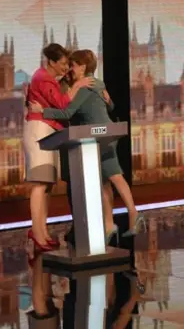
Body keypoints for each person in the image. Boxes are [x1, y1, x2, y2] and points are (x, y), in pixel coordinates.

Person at [30, 49, 144, 243]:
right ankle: (109, 225)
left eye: (73, 65)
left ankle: (133, 213)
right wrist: (110, 102)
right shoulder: (98, 83)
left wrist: (43, 111)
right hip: (103, 134)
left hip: (99, 136)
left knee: (114, 176)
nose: (70, 69)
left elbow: (67, 113)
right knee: (105, 180)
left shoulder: (84, 87)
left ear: (82, 67)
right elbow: (108, 105)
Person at [24, 43, 94, 251]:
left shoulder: (49, 78)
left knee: (47, 185)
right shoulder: (42, 78)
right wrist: (77, 86)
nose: (65, 68)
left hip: (49, 132)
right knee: (39, 184)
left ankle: (42, 232)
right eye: (63, 64)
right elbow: (63, 104)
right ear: (51, 62)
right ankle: (37, 234)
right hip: (39, 131)